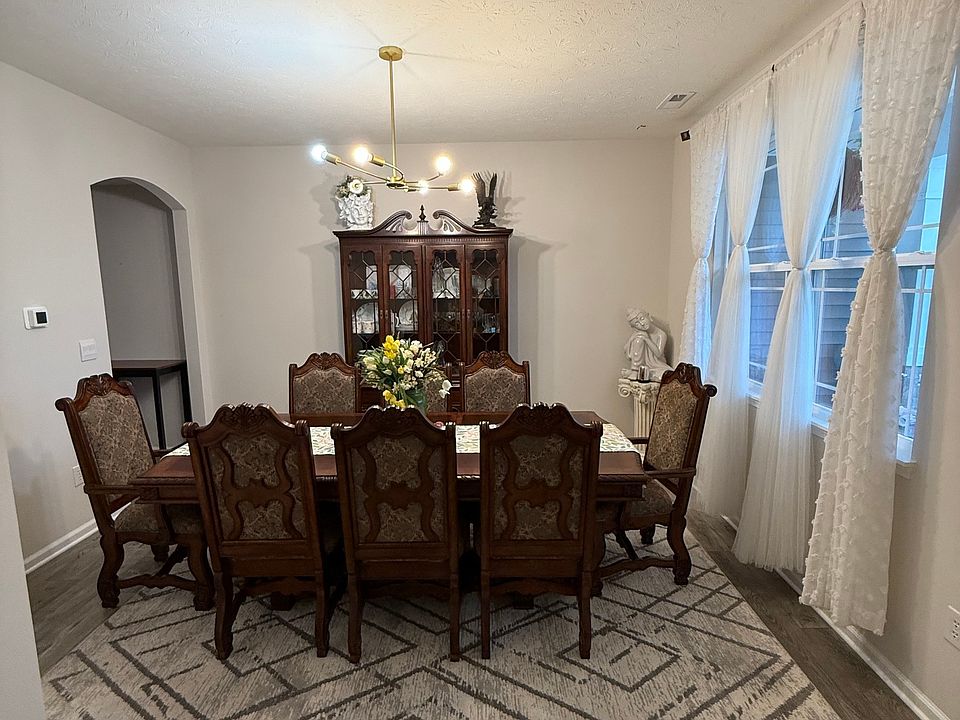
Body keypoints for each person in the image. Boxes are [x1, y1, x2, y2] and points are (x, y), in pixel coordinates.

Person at [623, 308, 671, 381]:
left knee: (666, 375)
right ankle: (635, 371)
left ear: (648, 316)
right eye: (637, 324)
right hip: (642, 367)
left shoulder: (661, 334)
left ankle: (642, 374)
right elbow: (626, 349)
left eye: (642, 319)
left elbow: (658, 354)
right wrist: (633, 338)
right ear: (634, 327)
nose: (642, 324)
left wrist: (647, 339)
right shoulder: (639, 334)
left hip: (657, 366)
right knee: (638, 340)